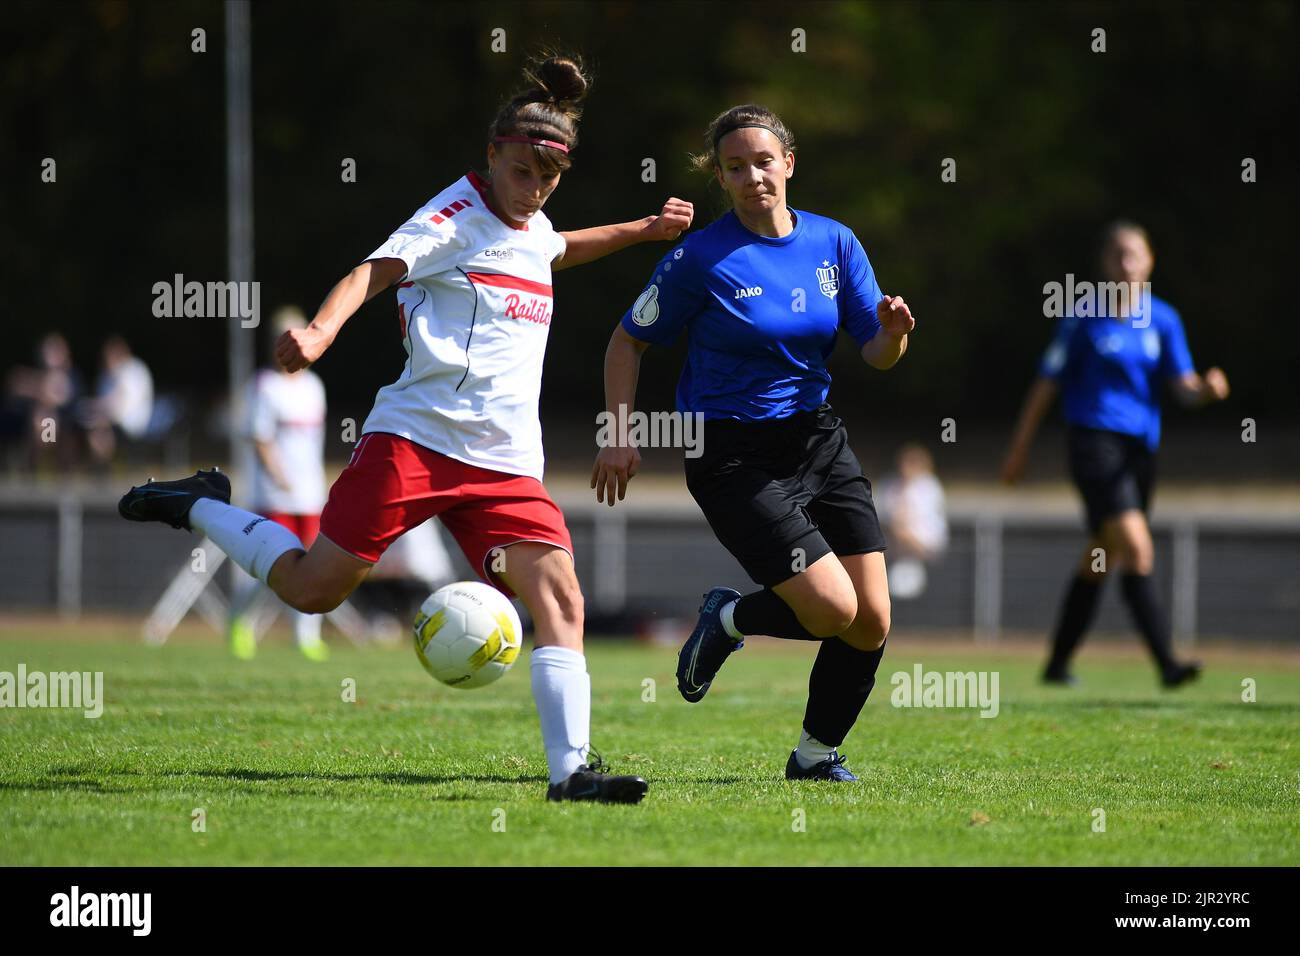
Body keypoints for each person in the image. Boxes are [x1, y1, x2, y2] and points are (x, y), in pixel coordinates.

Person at [119, 54, 693, 804]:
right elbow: (371, 271)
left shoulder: (534, 223)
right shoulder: (449, 217)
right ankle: (197, 503)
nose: (536, 189)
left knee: (561, 599)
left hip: (507, 462)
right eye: (523, 173)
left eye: (549, 180)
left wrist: (643, 230)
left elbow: (558, 248)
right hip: (415, 443)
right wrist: (322, 332)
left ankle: (571, 774)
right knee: (314, 591)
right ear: (491, 156)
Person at [591, 104, 914, 782]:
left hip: (820, 441)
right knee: (832, 610)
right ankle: (729, 618)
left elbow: (878, 354)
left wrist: (893, 330)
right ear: (721, 177)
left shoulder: (835, 243)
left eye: (763, 161)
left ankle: (815, 756)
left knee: (872, 620)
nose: (751, 176)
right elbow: (628, 340)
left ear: (788, 163)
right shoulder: (699, 257)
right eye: (734, 167)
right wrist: (618, 433)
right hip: (733, 455)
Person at [1001, 220, 1229, 688]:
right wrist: (1019, 449)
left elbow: (1182, 387)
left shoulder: (1164, 319)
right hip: (1093, 444)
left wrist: (1205, 389)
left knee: (1100, 555)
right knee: (1137, 549)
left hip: (1140, 451)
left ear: (1150, 261)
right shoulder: (1082, 317)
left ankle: (1057, 664)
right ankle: (1167, 663)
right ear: (1104, 264)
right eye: (1117, 255)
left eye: (1135, 254)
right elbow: (1047, 384)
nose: (1126, 264)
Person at [227, 306, 330, 662]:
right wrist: (280, 477)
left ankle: (306, 637)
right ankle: (241, 622)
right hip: (274, 495)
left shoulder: (314, 386)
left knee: (314, 568)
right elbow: (260, 438)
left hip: (310, 495)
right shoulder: (264, 386)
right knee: (272, 567)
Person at [877, 443, 948, 600]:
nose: (906, 468)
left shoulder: (929, 487)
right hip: (894, 548)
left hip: (923, 547)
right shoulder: (889, 484)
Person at [83, 336, 154, 467]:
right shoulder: (107, 374)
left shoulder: (134, 370)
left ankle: (102, 465)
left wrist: (103, 416)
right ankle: (99, 465)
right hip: (113, 420)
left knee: (98, 432)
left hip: (132, 422)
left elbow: (126, 406)